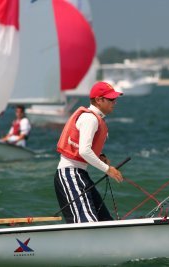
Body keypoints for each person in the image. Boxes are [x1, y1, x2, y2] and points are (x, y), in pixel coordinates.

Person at [54, 81, 124, 224]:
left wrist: (100, 156)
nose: (114, 102)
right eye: (111, 99)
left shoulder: (93, 118)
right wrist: (108, 169)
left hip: (79, 174)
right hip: (70, 174)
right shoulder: (90, 118)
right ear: (99, 100)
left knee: (105, 221)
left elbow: (84, 148)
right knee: (86, 223)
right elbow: (84, 151)